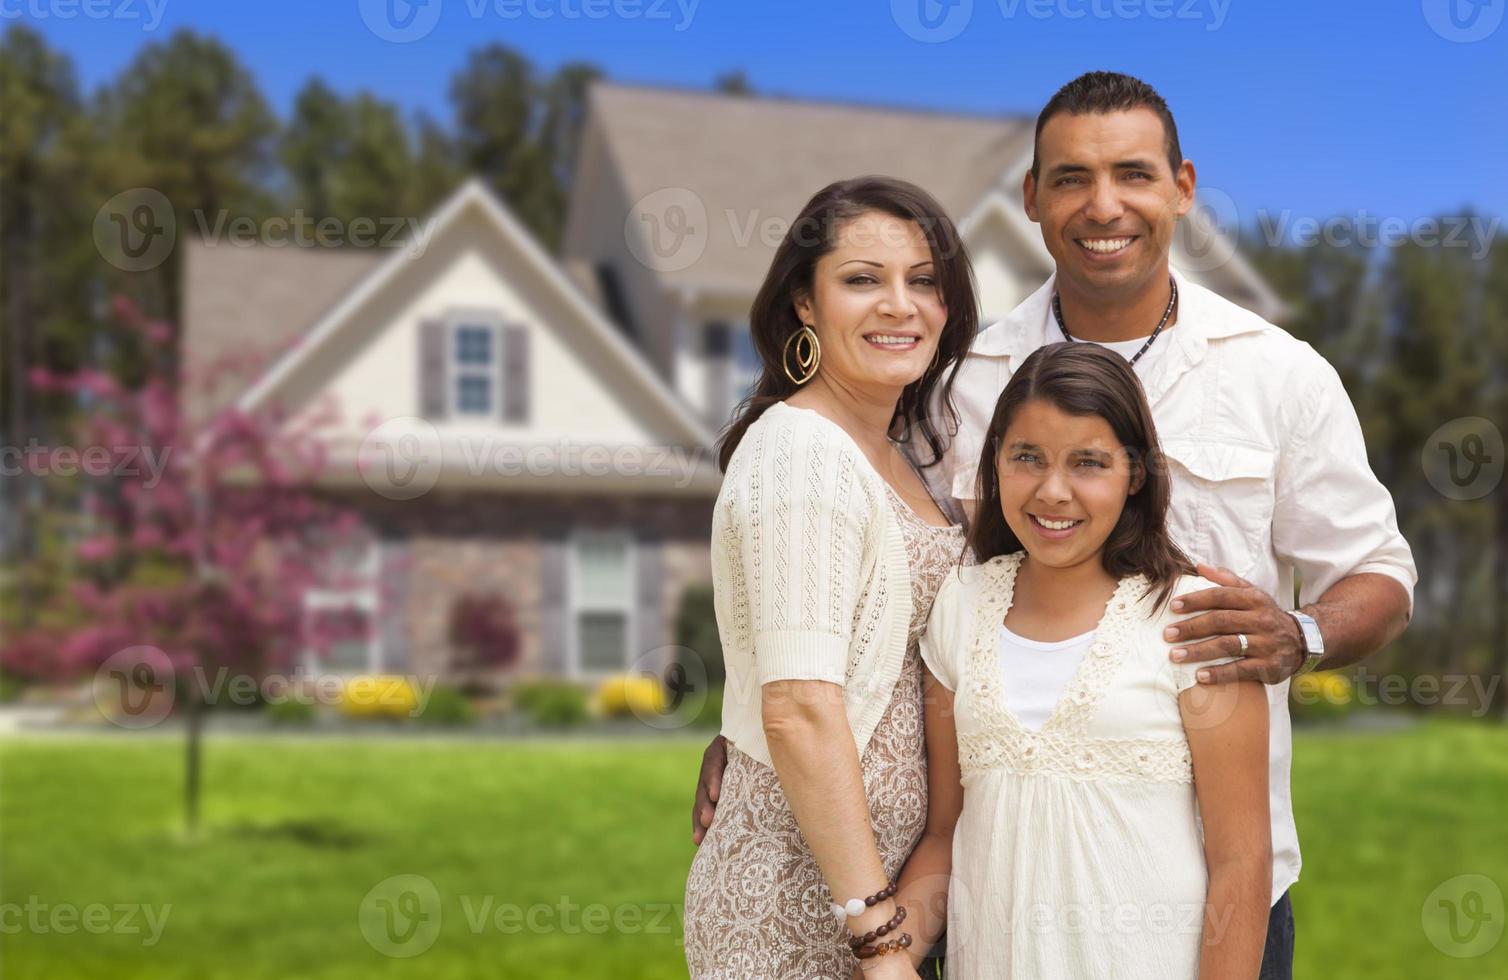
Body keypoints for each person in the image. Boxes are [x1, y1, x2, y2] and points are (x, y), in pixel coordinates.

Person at [691, 72, 1417, 980]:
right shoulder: (958, 380)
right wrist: (760, 719)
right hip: (987, 889)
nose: (1102, 204)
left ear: (1183, 187)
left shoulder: (1279, 374)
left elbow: (1380, 573)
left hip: (1222, 889)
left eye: (1134, 174)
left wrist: (1298, 633)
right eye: (1070, 177)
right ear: (1032, 198)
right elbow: (861, 569)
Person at [682, 175, 977, 979]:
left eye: (924, 281)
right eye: (861, 280)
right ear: (804, 306)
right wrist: (877, 939)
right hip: (800, 896)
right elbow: (800, 707)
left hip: (886, 895)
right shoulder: (800, 452)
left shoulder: (907, 456)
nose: (900, 305)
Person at [912, 341, 1270, 978]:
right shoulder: (961, 605)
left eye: (1088, 463)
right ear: (995, 463)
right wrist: (882, 956)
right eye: (1027, 457)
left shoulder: (1196, 620)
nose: (1054, 491)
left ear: (1134, 474)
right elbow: (945, 832)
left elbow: (1241, 863)